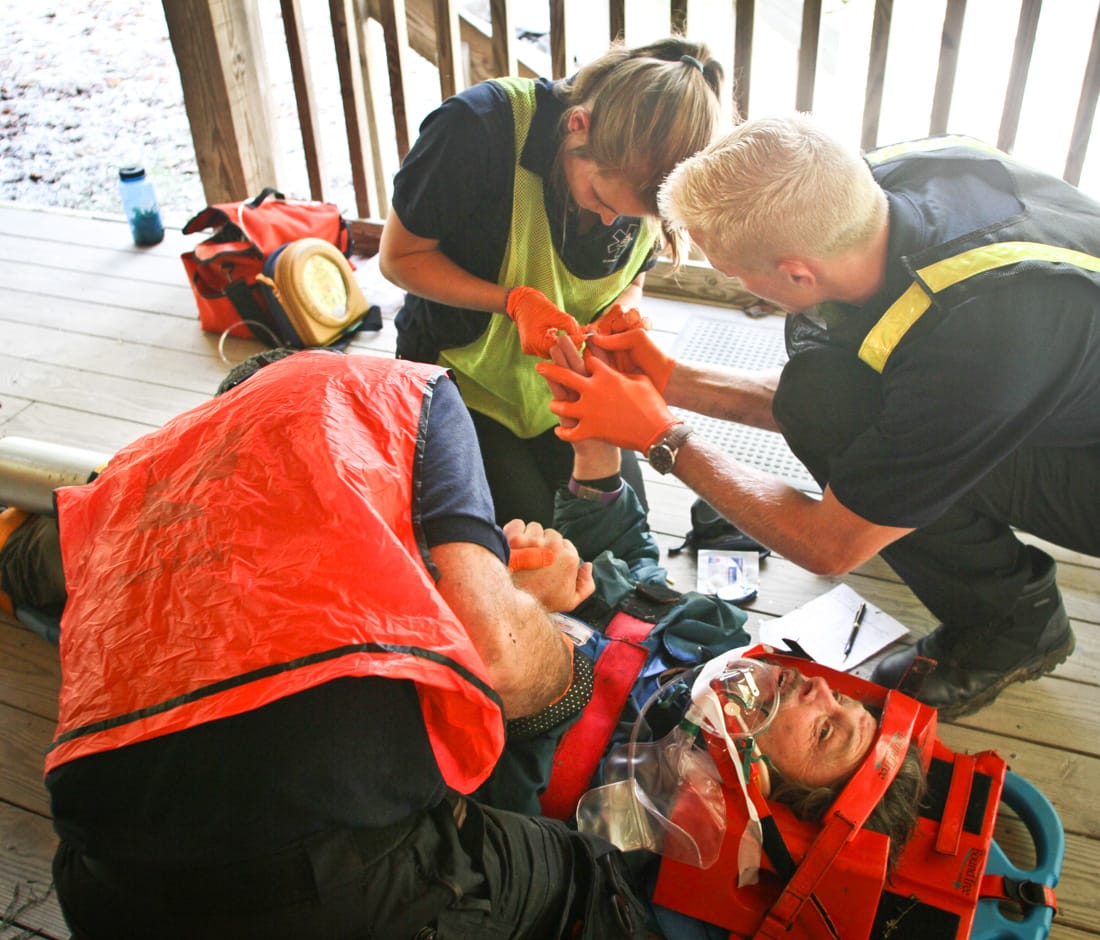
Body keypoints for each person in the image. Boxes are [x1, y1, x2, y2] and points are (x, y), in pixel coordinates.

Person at [33, 350, 654, 940]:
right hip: (330, 883)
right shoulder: (396, 397)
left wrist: (592, 460)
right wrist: (540, 615)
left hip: (99, 887)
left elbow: (39, 567)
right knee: (598, 884)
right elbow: (503, 667)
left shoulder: (137, 489)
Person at [537, 113, 1099, 720]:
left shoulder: (976, 344)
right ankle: (924, 531)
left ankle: (1017, 626)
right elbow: (871, 389)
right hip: (1041, 382)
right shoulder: (877, 187)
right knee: (824, 396)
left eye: (734, 273)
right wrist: (667, 378)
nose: (737, 282)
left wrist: (659, 435)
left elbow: (830, 546)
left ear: (797, 273)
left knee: (864, 475)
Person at [379, 36, 725, 527]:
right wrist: (513, 301)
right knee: (531, 539)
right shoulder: (476, 128)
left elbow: (631, 277)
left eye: (630, 216)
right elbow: (399, 258)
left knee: (619, 522)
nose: (612, 223)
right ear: (576, 126)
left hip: (562, 388)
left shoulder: (644, 180)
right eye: (602, 199)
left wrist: (622, 310)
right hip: (462, 377)